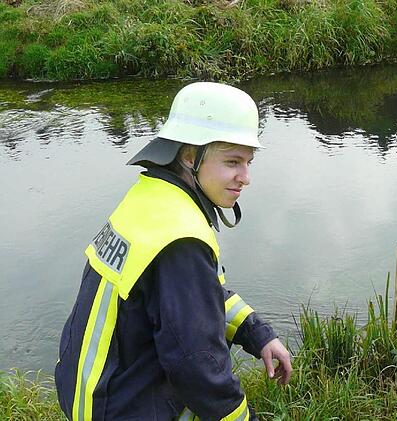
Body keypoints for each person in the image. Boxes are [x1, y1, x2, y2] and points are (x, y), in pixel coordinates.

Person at [55, 82, 292, 420]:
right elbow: (198, 367)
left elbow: (198, 295)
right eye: (232, 161)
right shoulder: (181, 239)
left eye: (248, 162)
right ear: (189, 156)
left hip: (91, 393)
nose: (245, 177)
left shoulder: (151, 197)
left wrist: (258, 334)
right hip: (125, 408)